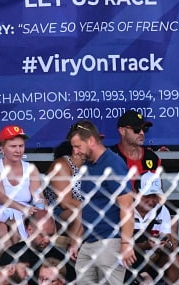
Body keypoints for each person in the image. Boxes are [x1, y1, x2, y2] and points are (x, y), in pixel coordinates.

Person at [66, 120, 134, 285]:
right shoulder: (88, 166)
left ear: (91, 141)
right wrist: (76, 240)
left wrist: (126, 243)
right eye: (73, 147)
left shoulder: (113, 163)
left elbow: (127, 206)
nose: (75, 152)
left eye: (78, 146)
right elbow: (86, 206)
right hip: (89, 241)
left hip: (110, 241)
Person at [0, 125, 44, 246]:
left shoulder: (31, 168)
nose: (18, 150)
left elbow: (39, 197)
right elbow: (2, 199)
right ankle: (14, 260)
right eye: (13, 146)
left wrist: (40, 208)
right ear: (2, 148)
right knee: (4, 230)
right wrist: (23, 209)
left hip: (25, 215)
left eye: (21, 146)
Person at [130, 172, 179, 285]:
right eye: (146, 196)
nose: (151, 201)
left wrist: (166, 244)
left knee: (174, 259)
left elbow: (169, 244)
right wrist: (146, 245)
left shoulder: (162, 210)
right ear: (135, 192)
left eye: (155, 196)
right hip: (129, 262)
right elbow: (120, 246)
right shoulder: (126, 208)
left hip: (153, 260)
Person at [112, 110, 161, 188]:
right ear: (122, 131)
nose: (142, 133)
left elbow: (158, 193)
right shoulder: (110, 156)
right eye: (136, 129)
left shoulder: (152, 157)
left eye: (144, 129)